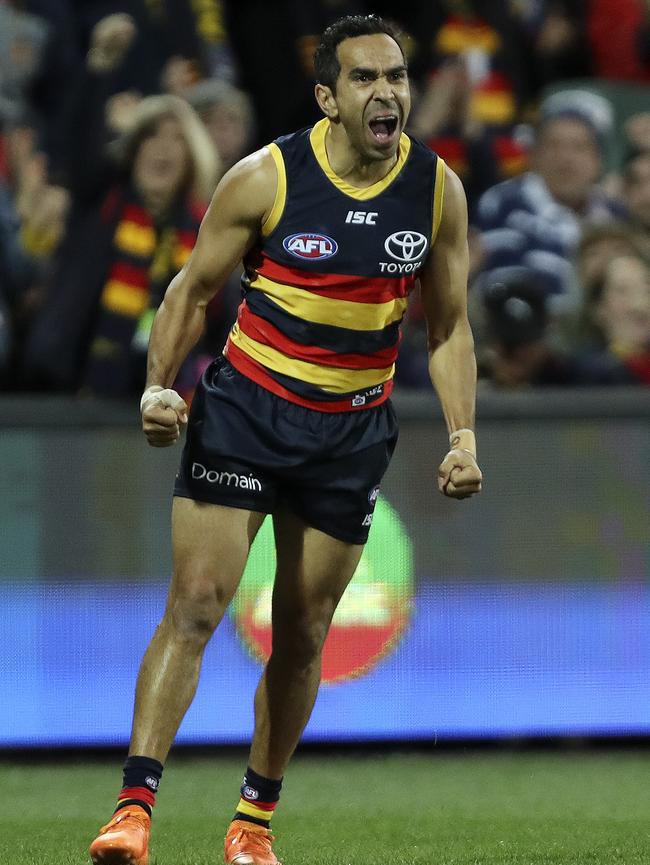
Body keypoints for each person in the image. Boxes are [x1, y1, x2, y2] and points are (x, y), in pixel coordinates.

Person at [89, 14, 482, 865]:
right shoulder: (264, 178)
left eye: (398, 78)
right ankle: (133, 809)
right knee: (196, 602)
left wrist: (462, 434)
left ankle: (252, 823)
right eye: (367, 79)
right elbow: (192, 290)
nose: (388, 94)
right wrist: (161, 386)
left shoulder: (435, 190)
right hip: (246, 413)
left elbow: (448, 327)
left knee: (305, 633)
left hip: (350, 434)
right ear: (327, 98)